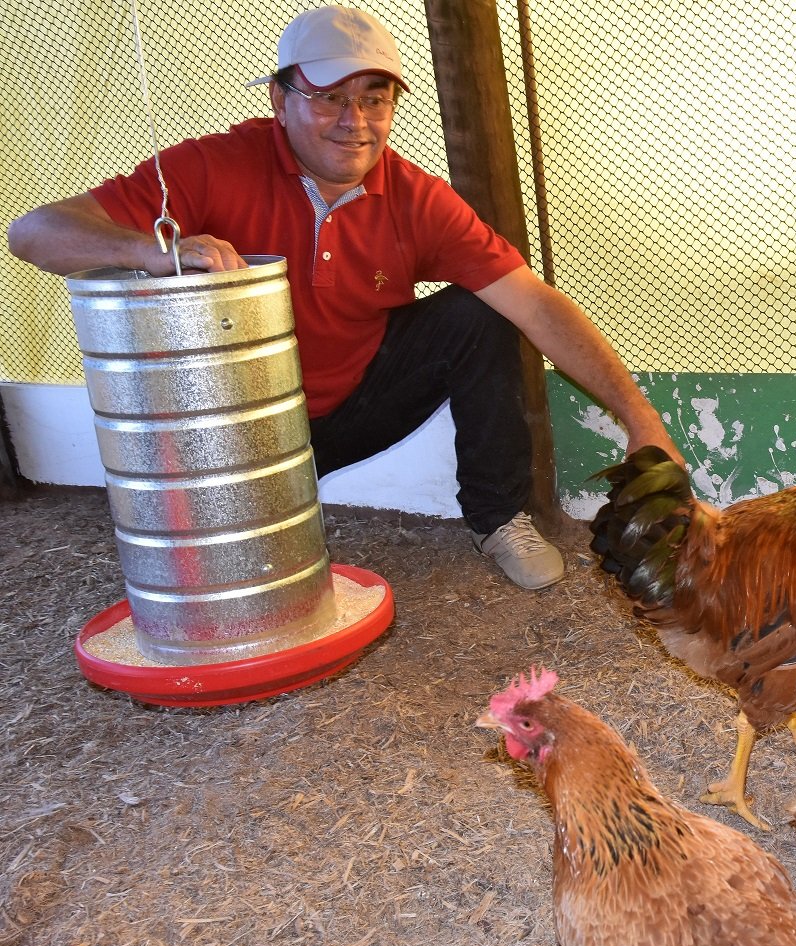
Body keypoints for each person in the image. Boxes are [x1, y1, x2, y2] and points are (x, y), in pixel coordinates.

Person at [7, 5, 682, 591]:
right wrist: (156, 251)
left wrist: (640, 419)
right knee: (226, 578)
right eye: (329, 97)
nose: (354, 121)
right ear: (280, 101)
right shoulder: (210, 166)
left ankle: (498, 517)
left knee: (484, 310)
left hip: (352, 410)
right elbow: (33, 233)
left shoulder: (416, 197)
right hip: (235, 434)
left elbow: (537, 305)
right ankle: (229, 514)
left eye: (374, 99)